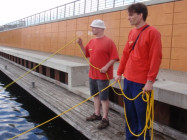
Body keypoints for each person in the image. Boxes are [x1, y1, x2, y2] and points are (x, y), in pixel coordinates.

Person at [115, 3, 162, 140]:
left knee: (142, 113)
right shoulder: (131, 32)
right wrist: (119, 72)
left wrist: (150, 81)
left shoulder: (152, 32)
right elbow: (125, 54)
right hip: (128, 80)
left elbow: (156, 58)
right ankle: (130, 137)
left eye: (131, 15)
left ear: (140, 15)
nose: (128, 18)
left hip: (141, 83)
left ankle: (143, 138)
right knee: (129, 112)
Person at [77, 19, 119, 129]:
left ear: (100, 28)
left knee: (104, 98)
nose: (92, 29)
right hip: (92, 74)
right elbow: (86, 54)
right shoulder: (91, 42)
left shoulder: (109, 42)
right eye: (92, 27)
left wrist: (106, 66)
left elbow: (115, 57)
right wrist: (81, 44)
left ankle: (105, 118)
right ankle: (97, 114)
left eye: (94, 27)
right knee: (95, 95)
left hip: (103, 76)